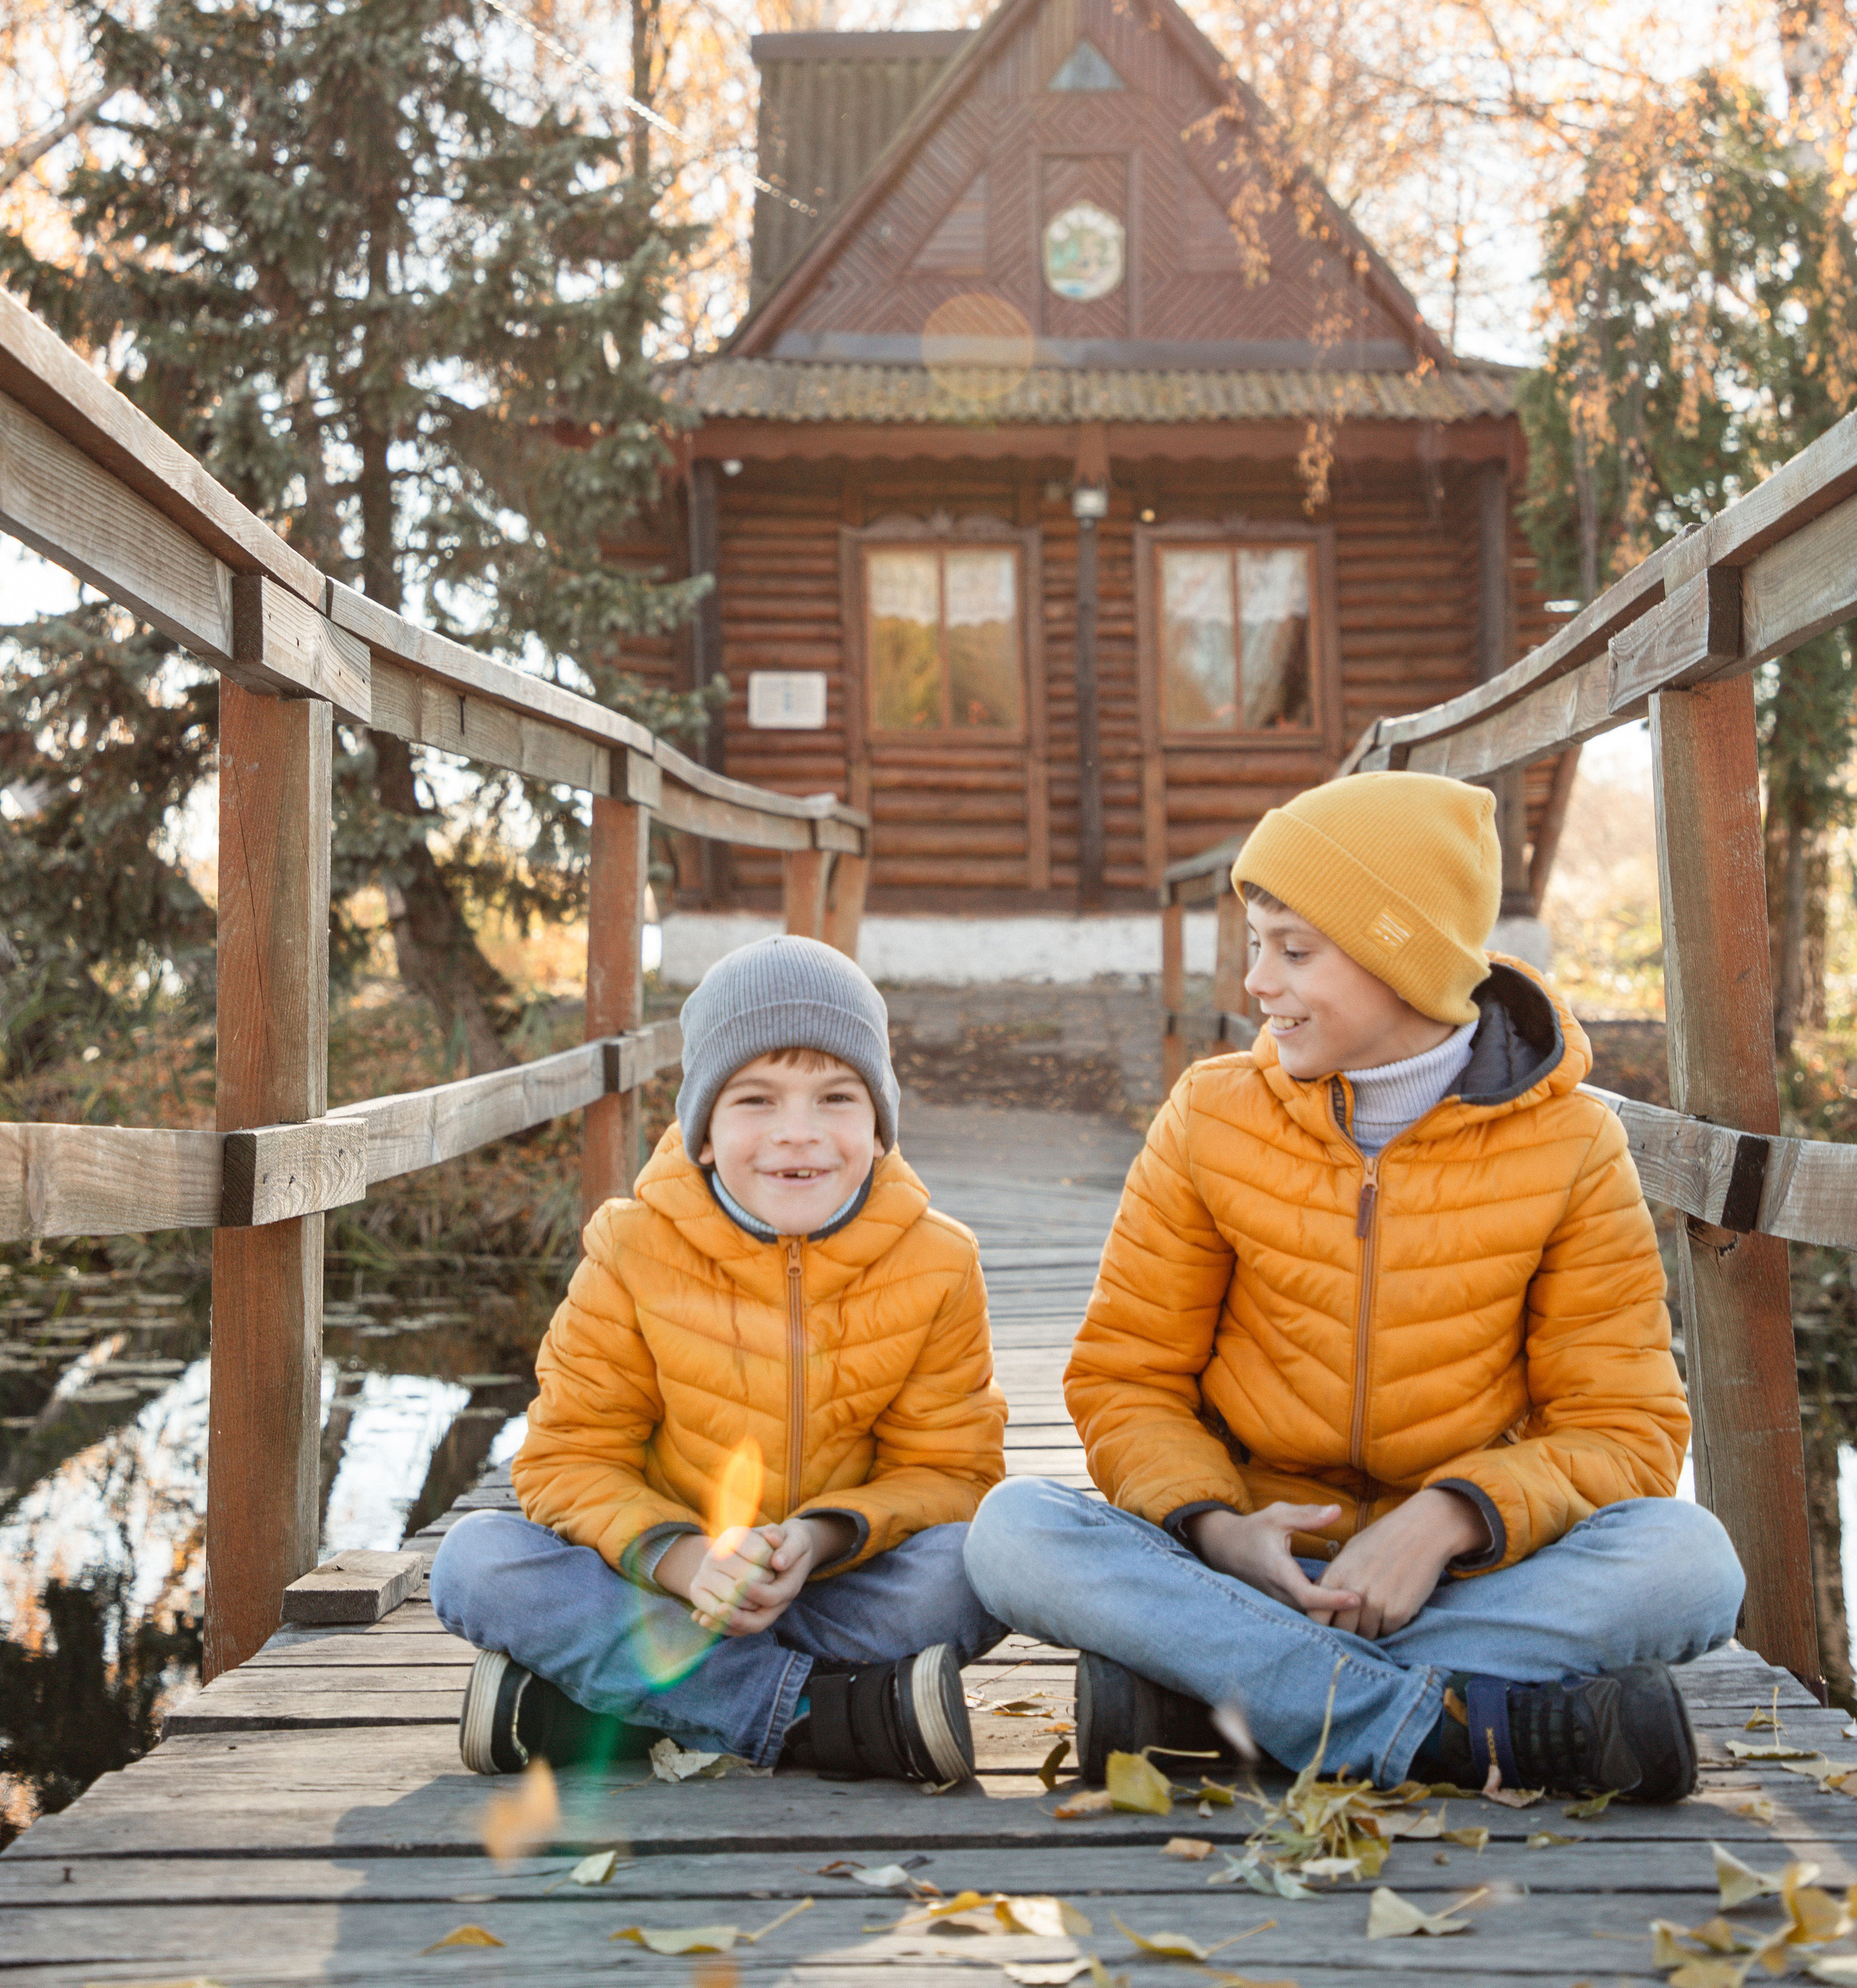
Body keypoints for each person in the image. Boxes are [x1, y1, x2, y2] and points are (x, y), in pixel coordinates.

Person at [963, 772, 1744, 1803]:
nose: (1257, 985)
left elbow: (1627, 1425)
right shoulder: (1212, 1117)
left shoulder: (1572, 1144)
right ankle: (1457, 1729)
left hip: (1463, 1576)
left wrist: (1447, 1520)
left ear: (1402, 960)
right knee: (1013, 1531)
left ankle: (1216, 1699)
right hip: (1246, 1566)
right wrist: (1218, 1528)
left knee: (1691, 1562)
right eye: (1256, 945)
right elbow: (1126, 1379)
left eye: (1295, 951)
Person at [432, 933, 1007, 1783]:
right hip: (661, 1590)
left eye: (837, 1098)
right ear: (702, 1131)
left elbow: (953, 1474)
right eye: (756, 1101)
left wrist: (816, 1540)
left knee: (986, 1562)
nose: (798, 1135)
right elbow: (567, 1460)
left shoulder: (939, 1263)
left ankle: (594, 1707)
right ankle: (819, 1714)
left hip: (834, 1587)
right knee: (475, 1563)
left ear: (881, 1126)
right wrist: (683, 1561)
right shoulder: (632, 1252)